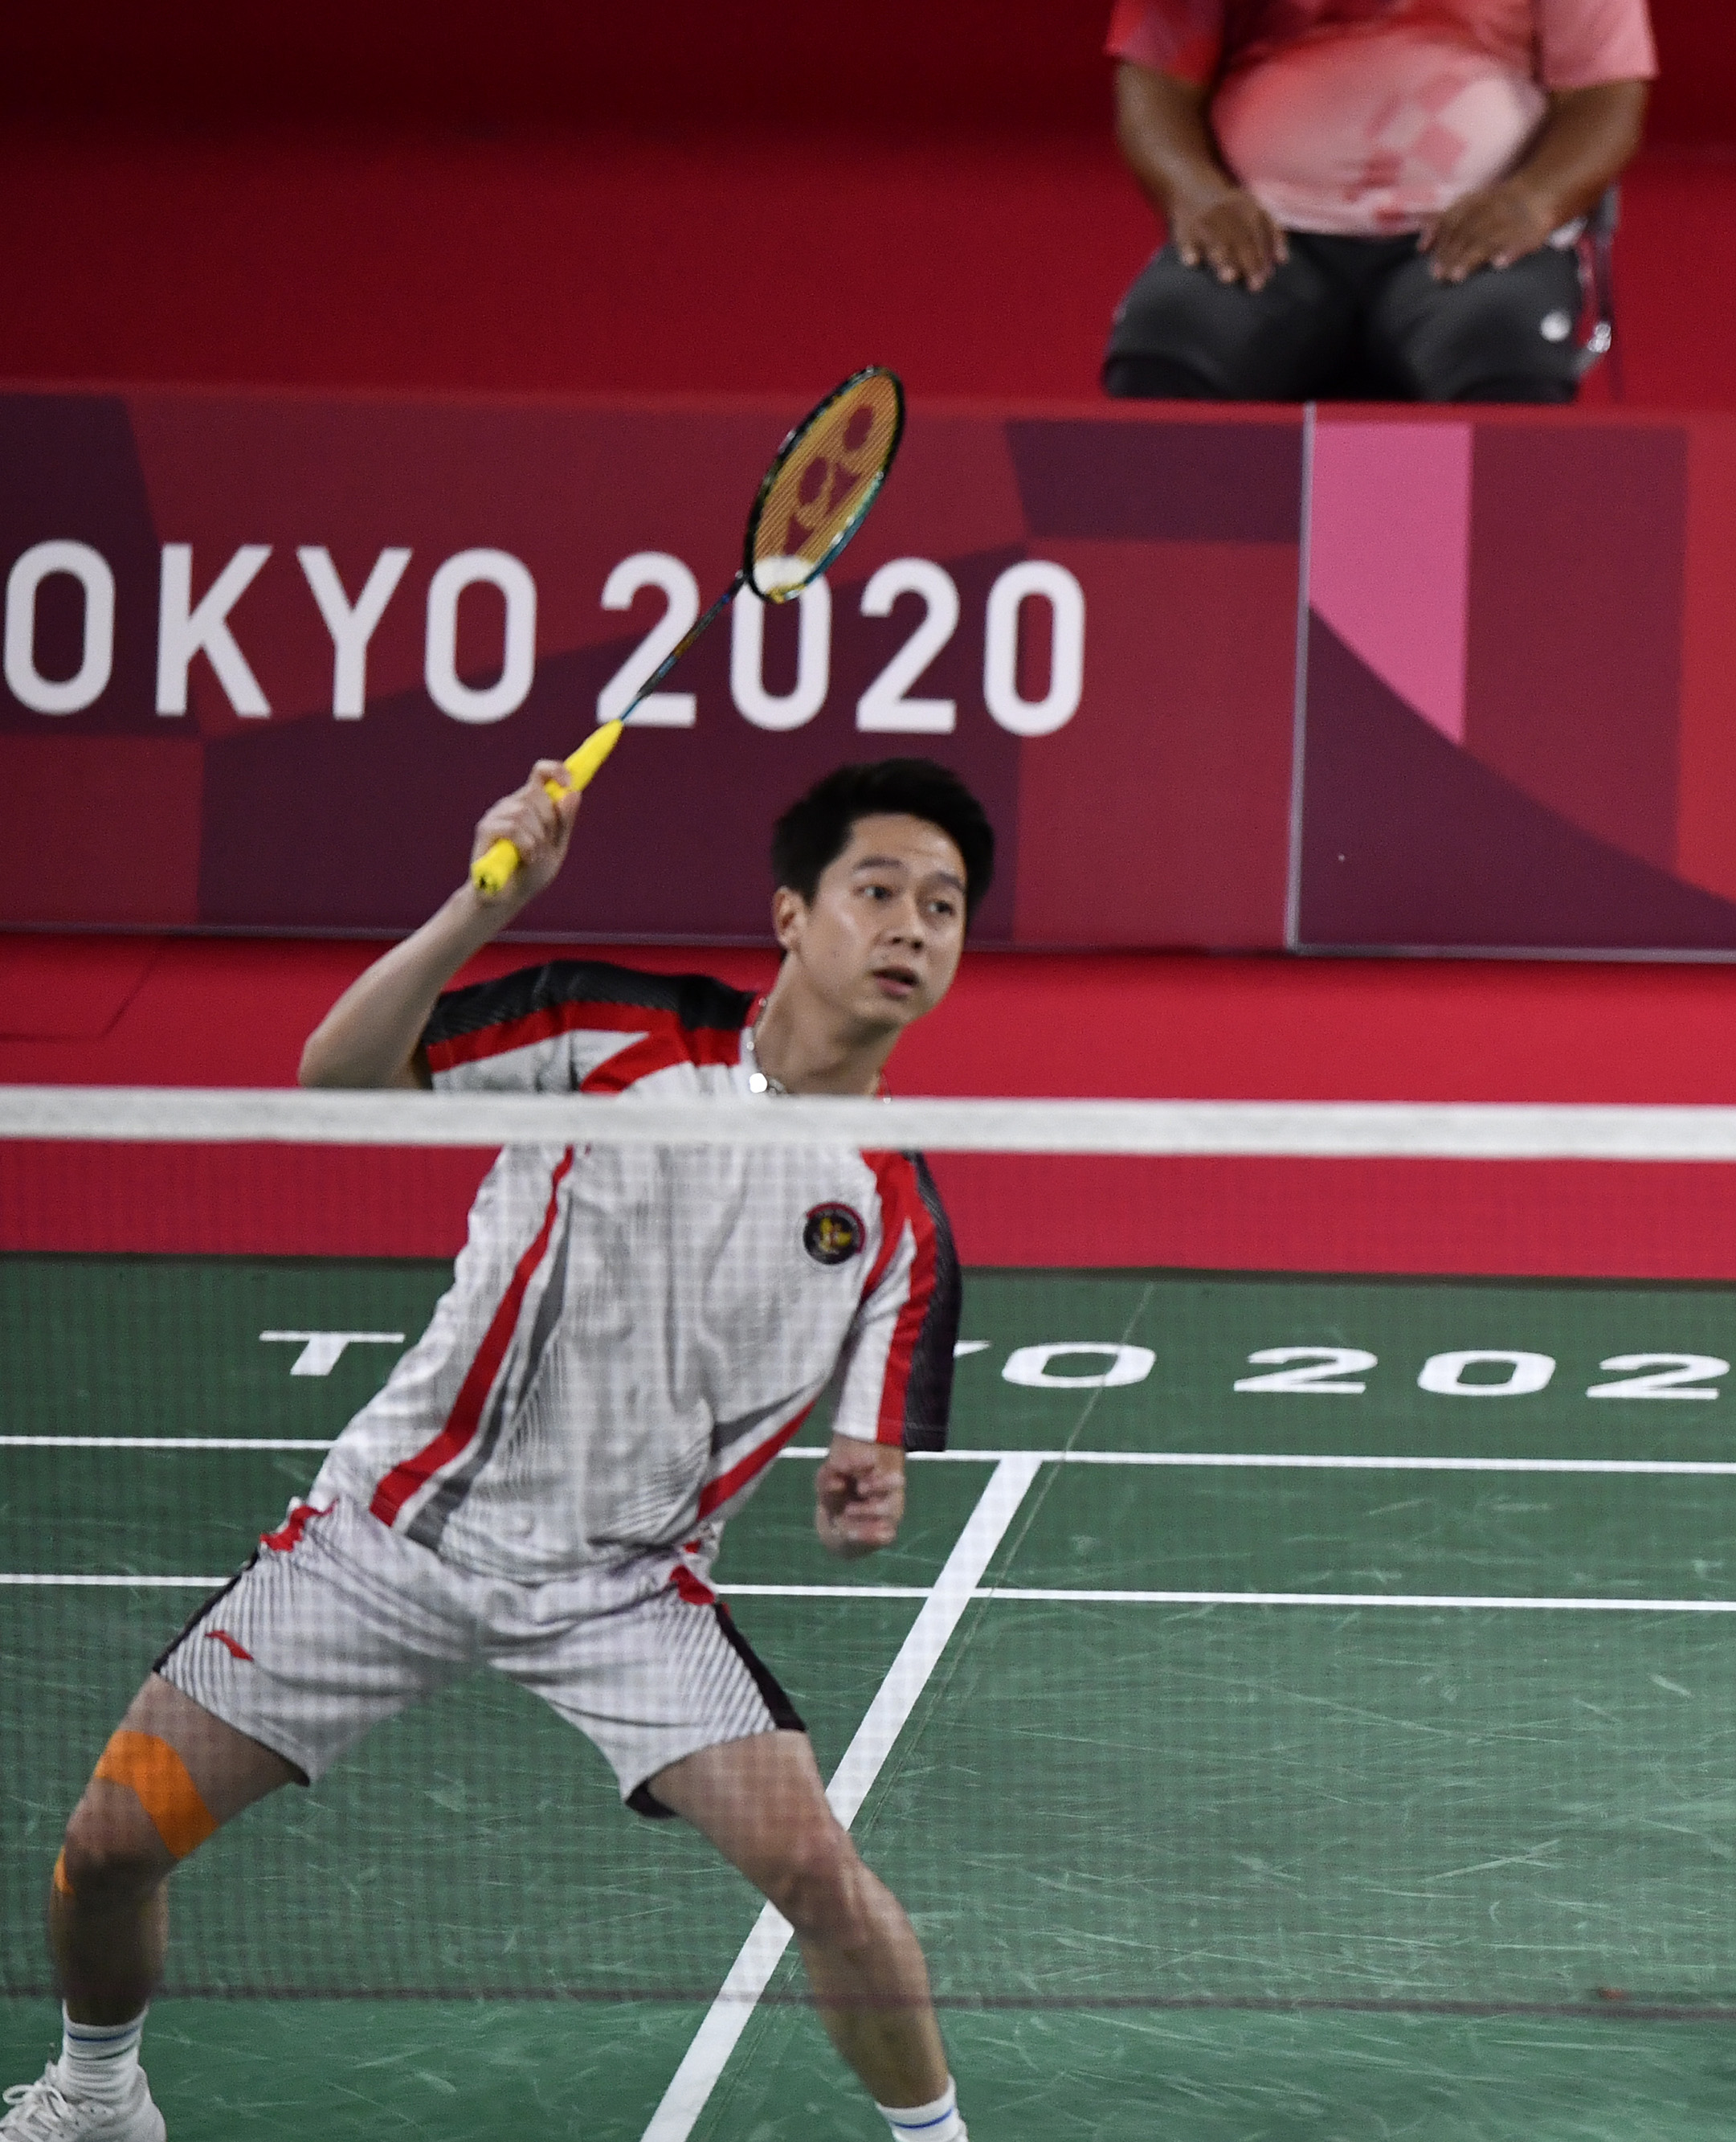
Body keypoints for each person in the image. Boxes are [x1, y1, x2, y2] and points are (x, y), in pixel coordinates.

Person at [3, 759, 995, 2142]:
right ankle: (97, 2095)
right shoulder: (608, 1027)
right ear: (790, 913)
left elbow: (862, 1473)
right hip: (387, 1539)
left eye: (942, 907)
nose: (910, 928)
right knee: (109, 1845)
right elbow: (338, 1076)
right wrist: (482, 908)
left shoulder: (903, 1223)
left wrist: (856, 1503)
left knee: (820, 1879)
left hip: (627, 1593)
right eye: (877, 891)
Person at [1100, 0, 1653, 403]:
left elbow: (1602, 95)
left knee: (1502, 348)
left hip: (1468, 238)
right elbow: (1157, 85)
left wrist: (1533, 202)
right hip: (1264, 234)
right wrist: (1196, 195)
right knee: (1166, 339)